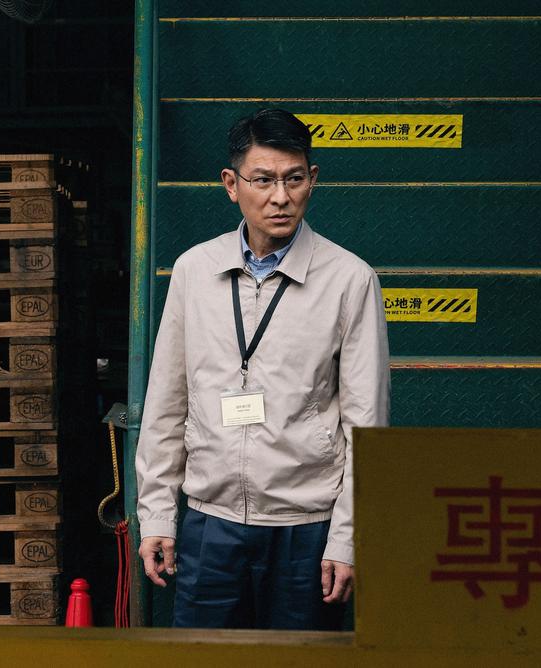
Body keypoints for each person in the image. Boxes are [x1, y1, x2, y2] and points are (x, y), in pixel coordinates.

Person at [135, 108, 390, 629]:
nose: (281, 197)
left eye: (294, 179)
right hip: (211, 524)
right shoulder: (194, 270)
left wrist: (346, 538)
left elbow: (366, 423)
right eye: (264, 180)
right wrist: (158, 515)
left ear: (312, 180)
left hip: (307, 528)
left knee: (301, 664)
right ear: (232, 185)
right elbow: (166, 402)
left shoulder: (350, 280)